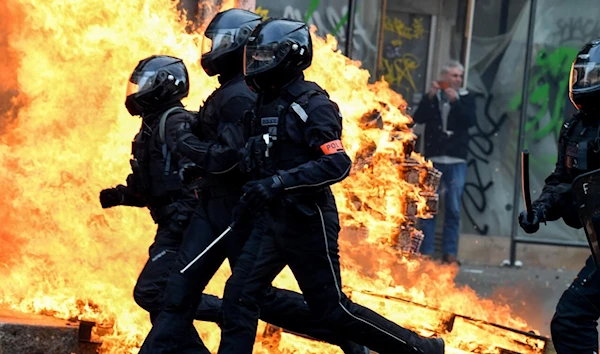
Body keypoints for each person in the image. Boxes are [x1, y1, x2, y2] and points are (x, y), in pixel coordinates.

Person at [138, 9, 368, 354]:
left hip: (231, 209)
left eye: (219, 43)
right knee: (223, 297)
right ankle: (346, 335)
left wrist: (187, 143)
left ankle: (349, 334)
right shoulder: (237, 92)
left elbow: (229, 158)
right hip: (224, 206)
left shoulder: (240, 95)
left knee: (228, 298)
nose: (211, 49)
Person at [217, 18, 445, 354]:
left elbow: (336, 163)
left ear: (291, 56)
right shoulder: (262, 102)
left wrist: (279, 183)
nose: (258, 63)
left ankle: (419, 349)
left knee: (332, 309)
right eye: (256, 56)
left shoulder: (313, 104)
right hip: (271, 220)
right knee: (240, 295)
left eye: (266, 56)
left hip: (307, 219)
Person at [99, 54, 210, 349]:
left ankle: (233, 309)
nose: (137, 92)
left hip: (184, 227)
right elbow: (157, 186)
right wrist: (122, 195)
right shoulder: (151, 127)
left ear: (164, 86)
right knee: (162, 307)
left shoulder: (176, 123)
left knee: (153, 293)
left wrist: (183, 219)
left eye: (144, 85)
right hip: (170, 224)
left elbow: (199, 176)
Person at [519, 38, 600, 354]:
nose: (585, 82)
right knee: (571, 320)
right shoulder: (576, 128)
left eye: (592, 76)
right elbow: (565, 182)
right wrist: (539, 209)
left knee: (571, 319)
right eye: (582, 75)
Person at [412, 60, 476, 264]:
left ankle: (450, 253)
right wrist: (430, 97)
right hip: (435, 159)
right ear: (445, 77)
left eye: (459, 76)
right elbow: (418, 118)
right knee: (429, 206)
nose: (457, 79)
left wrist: (456, 101)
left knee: (453, 209)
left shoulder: (467, 98)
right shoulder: (434, 97)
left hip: (456, 159)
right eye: (454, 76)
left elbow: (470, 121)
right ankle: (427, 251)